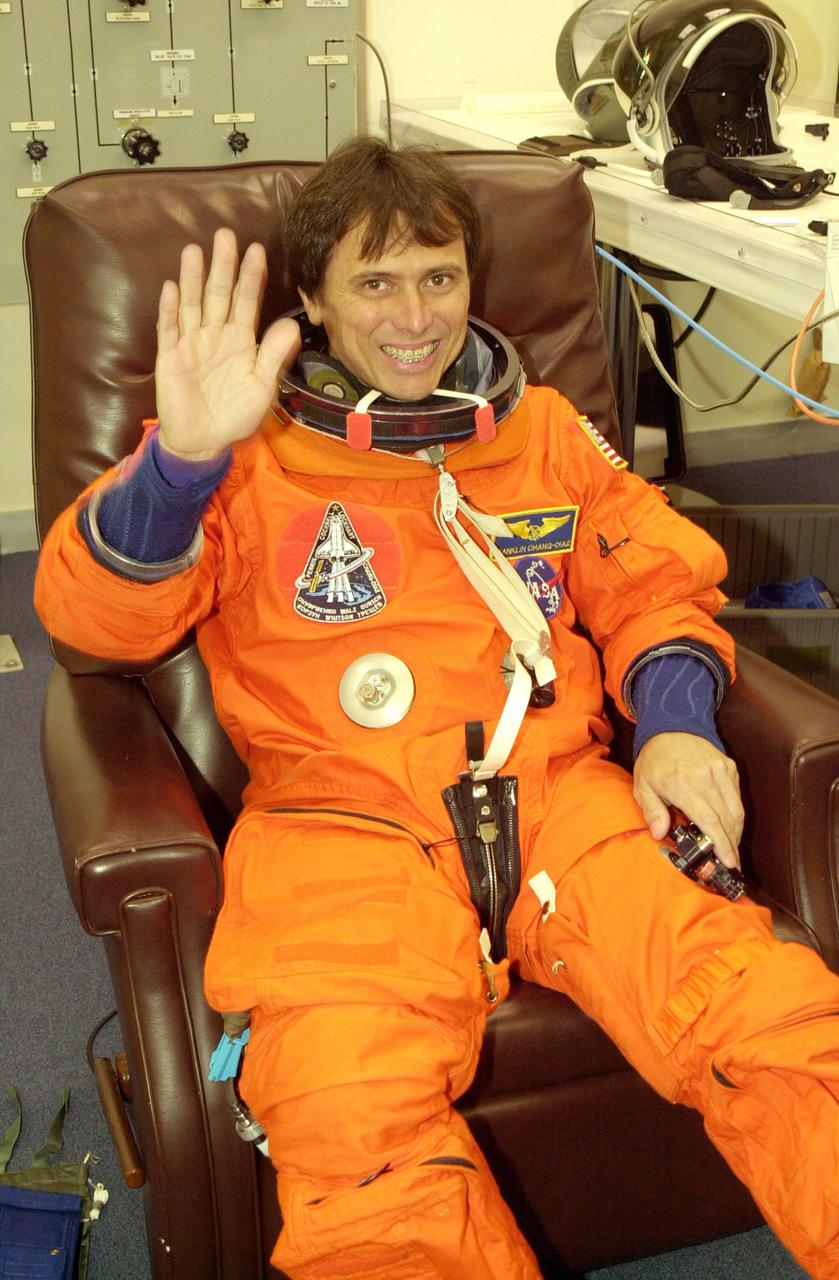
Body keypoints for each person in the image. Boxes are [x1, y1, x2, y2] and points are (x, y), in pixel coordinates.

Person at [34, 137, 839, 1280]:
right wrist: (180, 464)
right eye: (373, 281)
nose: (415, 315)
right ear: (310, 298)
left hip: (559, 802)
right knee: (359, 1144)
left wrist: (674, 719)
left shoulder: (545, 434)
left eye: (438, 276)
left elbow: (651, 579)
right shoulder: (244, 457)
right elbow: (90, 625)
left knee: (777, 1025)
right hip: (340, 831)